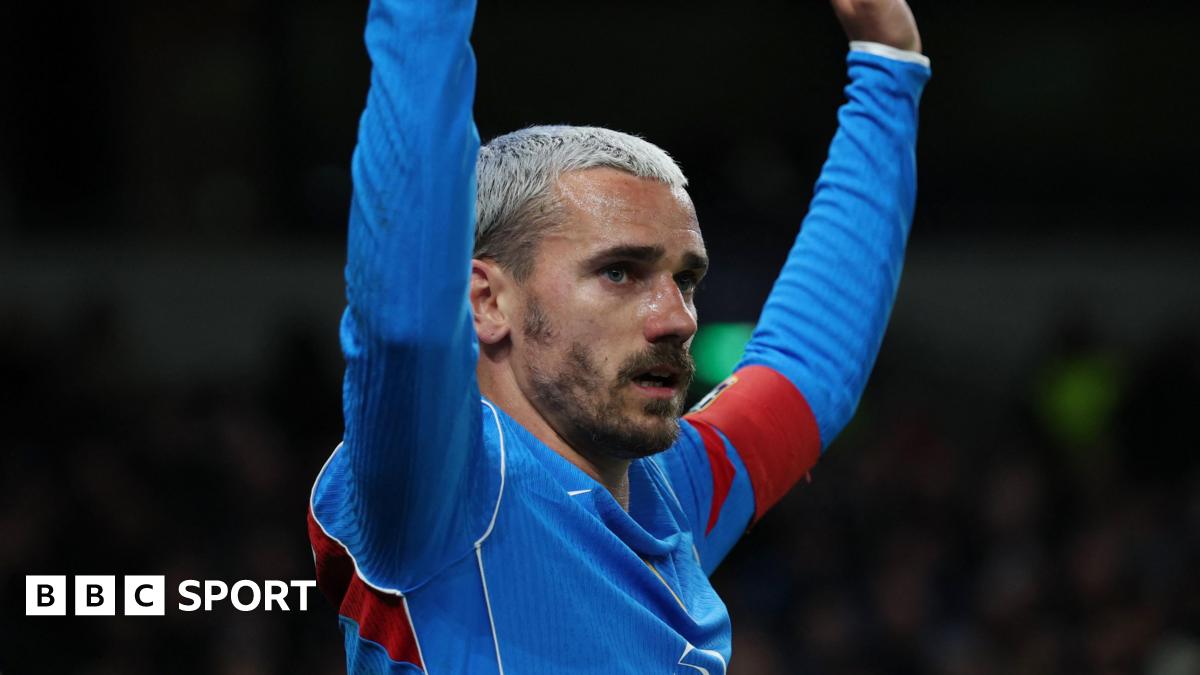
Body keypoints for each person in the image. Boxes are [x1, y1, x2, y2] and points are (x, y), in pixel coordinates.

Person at [307, 0, 930, 672]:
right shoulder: (444, 490)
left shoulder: (670, 495)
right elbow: (405, 321)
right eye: (619, 272)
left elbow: (810, 366)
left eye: (685, 279)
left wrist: (887, 61)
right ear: (486, 300)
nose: (678, 317)